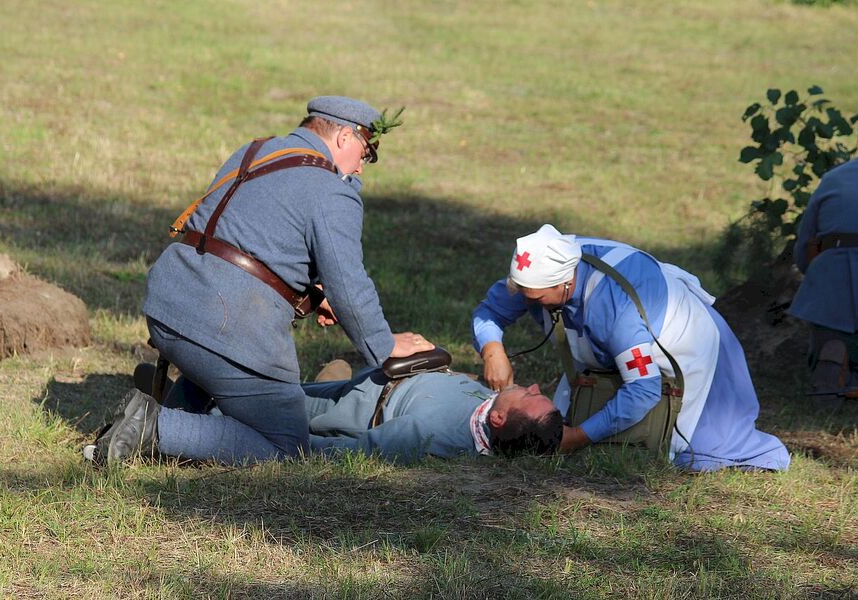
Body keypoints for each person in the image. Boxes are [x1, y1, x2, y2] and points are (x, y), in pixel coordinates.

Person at [87, 96, 433, 465]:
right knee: (285, 443)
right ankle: (154, 426)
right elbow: (349, 284)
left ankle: (166, 421)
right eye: (367, 154)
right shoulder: (332, 190)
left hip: (168, 303)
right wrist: (383, 344)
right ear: (345, 137)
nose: (362, 169)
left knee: (220, 371)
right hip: (222, 324)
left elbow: (246, 237)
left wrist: (314, 294)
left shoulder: (255, 151)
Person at [472, 225, 791, 472]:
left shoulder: (614, 310)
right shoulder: (539, 271)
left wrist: (579, 437)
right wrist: (493, 350)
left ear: (565, 284)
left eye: (536, 298)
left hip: (687, 346)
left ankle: (761, 452)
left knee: (697, 451)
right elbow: (491, 311)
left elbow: (644, 389)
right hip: (612, 339)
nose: (527, 302)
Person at [89, 366, 564, 464]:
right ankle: (184, 394)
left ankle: (161, 421)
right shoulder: (489, 406)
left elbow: (363, 450)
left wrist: (295, 447)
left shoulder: (438, 436)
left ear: (500, 422)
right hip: (371, 381)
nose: (535, 386)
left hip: (357, 409)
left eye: (531, 397)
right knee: (266, 389)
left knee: (270, 411)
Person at [789, 158, 858, 404]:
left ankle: (834, 357)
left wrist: (817, 277)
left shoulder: (834, 178)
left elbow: (805, 245)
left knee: (831, 333)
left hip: (831, 277)